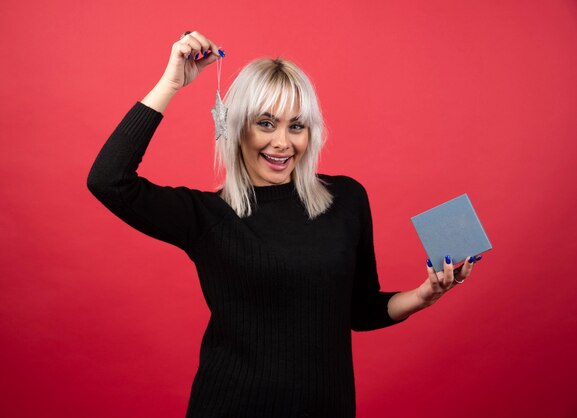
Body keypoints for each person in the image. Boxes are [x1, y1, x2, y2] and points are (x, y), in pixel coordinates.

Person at [87, 30, 482, 418]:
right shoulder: (206, 216)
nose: (282, 142)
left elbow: (359, 311)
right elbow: (108, 180)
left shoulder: (346, 199)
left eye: (296, 126)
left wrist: (423, 295)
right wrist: (171, 83)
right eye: (265, 123)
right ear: (237, 126)